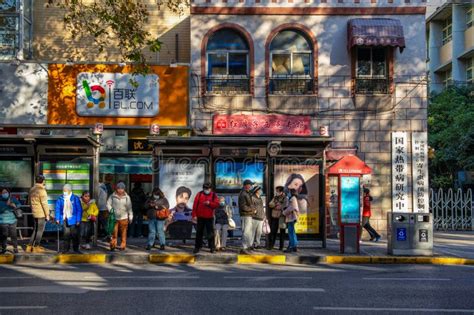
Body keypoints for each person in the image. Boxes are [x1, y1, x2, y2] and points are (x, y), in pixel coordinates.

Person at [55, 184, 83, 254]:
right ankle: (65, 249)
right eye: (63, 190)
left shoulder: (75, 198)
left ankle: (76, 249)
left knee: (75, 235)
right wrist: (57, 218)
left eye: (66, 191)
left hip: (74, 220)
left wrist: (78, 220)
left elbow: (79, 210)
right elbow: (57, 209)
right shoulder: (60, 198)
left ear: (70, 191)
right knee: (66, 235)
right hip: (65, 219)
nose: (64, 192)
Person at [192, 182, 219, 254]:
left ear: (210, 189)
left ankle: (212, 247)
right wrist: (194, 215)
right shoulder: (199, 194)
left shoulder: (213, 195)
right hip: (200, 216)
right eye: (205, 188)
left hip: (209, 217)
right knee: (199, 233)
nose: (206, 190)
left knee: (210, 233)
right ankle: (197, 247)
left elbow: (216, 204)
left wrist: (209, 203)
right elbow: (195, 205)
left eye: (208, 188)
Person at [27, 175, 50, 253]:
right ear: (43, 181)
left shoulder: (32, 189)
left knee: (35, 230)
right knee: (40, 230)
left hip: (34, 212)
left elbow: (29, 202)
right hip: (41, 213)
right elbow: (44, 204)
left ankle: (29, 246)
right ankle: (36, 246)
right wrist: (47, 214)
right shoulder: (41, 190)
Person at [107, 182, 133, 251]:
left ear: (124, 189)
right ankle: (113, 245)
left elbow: (129, 207)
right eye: (119, 188)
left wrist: (130, 216)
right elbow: (108, 204)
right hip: (114, 217)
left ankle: (122, 245)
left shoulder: (127, 197)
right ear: (116, 189)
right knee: (114, 233)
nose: (120, 190)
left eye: (122, 189)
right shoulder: (112, 196)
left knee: (123, 233)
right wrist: (111, 211)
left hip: (124, 217)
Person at [267, 186, 289, 251]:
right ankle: (271, 245)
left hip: (282, 217)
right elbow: (270, 204)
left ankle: (281, 247)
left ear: (281, 192)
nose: (276, 192)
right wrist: (276, 204)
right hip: (275, 216)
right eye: (276, 191)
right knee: (273, 231)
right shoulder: (275, 197)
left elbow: (286, 206)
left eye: (278, 191)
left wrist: (280, 206)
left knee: (282, 232)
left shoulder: (285, 198)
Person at [0, 188, 21, 254]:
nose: (5, 194)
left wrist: (14, 205)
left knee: (14, 235)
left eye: (6, 192)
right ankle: (3, 248)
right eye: (3, 193)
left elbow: (19, 205)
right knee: (4, 235)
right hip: (3, 220)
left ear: (8, 193)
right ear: (1, 193)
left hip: (13, 220)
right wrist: (7, 205)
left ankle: (15, 248)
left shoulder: (12, 199)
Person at [238, 179, 255, 254]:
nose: (251, 186)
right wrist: (252, 209)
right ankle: (244, 247)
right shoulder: (243, 194)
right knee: (246, 231)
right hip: (245, 215)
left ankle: (248, 245)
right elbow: (243, 207)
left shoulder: (247, 193)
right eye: (250, 184)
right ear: (246, 185)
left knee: (249, 231)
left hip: (248, 215)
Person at [283, 188, 299, 253]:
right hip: (291, 217)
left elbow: (291, 207)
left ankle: (292, 247)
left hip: (291, 218)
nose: (288, 193)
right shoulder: (292, 198)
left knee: (291, 233)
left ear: (291, 192)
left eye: (289, 192)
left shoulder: (293, 198)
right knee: (292, 232)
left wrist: (284, 212)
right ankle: (294, 246)